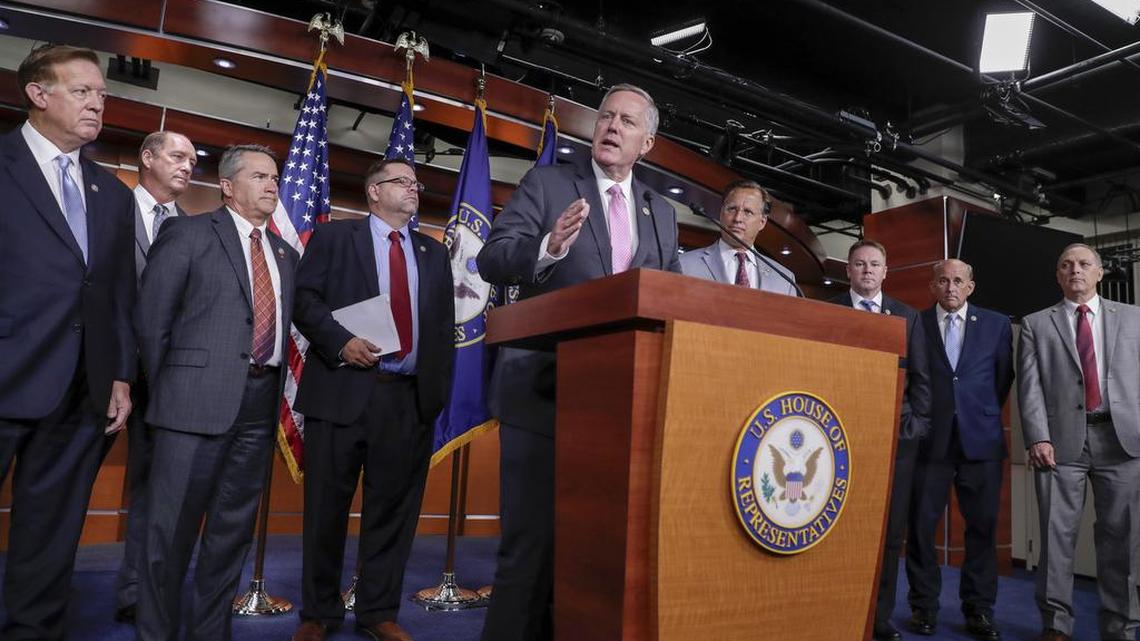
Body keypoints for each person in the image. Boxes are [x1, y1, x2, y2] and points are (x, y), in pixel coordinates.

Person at [476, 83, 682, 641]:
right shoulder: (548, 183)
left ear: (648, 142)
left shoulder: (660, 213)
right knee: (531, 549)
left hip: (620, 406)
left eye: (627, 122)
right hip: (543, 392)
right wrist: (548, 248)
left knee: (592, 553)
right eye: (606, 117)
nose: (612, 127)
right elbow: (492, 257)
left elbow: (672, 299)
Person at [134, 144, 298, 641]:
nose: (272, 185)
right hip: (190, 406)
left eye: (274, 177)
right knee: (169, 535)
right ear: (227, 185)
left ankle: (209, 632)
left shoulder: (286, 254)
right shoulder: (186, 232)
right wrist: (172, 392)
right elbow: (152, 321)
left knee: (230, 534)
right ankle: (156, 633)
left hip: (259, 406)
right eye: (259, 176)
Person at [0, 43, 136, 641]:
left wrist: (120, 375)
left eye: (102, 95)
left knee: (51, 531)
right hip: (5, 372)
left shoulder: (113, 193)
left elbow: (118, 297)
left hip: (80, 390)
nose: (97, 104)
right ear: (38, 94)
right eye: (82, 91)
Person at [289, 159, 454, 641]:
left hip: (407, 401)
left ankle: (378, 611)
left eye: (416, 183)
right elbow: (304, 301)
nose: (413, 189)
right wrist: (340, 342)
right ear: (373, 192)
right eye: (402, 182)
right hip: (343, 390)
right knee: (326, 509)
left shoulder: (432, 251)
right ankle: (318, 614)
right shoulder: (336, 238)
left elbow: (442, 328)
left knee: (393, 513)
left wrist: (434, 396)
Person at [1018, 243, 1140, 641]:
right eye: (1067, 265)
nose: (1076, 270)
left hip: (1122, 442)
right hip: (1060, 444)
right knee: (1056, 538)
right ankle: (1056, 625)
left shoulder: (1135, 319)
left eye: (1084, 264)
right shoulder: (1037, 324)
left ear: (1100, 273)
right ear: (1058, 276)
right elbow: (1030, 388)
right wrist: (1037, 436)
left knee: (1120, 541)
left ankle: (1120, 627)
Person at [114, 130, 197, 625]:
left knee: (151, 491)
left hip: (161, 384)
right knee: (64, 486)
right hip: (96, 375)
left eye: (193, 159)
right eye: (178, 155)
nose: (188, 165)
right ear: (147, 158)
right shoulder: (109, 211)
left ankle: (134, 590)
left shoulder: (189, 229)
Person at [829, 239, 931, 641]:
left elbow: (922, 380)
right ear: (848, 271)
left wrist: (916, 426)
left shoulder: (908, 317)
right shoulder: (830, 310)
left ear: (886, 272)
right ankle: (839, 608)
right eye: (859, 264)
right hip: (840, 439)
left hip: (896, 442)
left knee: (889, 535)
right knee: (840, 528)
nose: (867, 271)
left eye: (874, 264)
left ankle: (879, 617)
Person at [906, 259, 1012, 641]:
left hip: (980, 442)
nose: (951, 287)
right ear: (932, 286)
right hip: (929, 442)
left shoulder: (998, 325)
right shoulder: (914, 322)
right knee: (919, 529)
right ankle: (924, 608)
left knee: (981, 530)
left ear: (971, 286)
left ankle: (979, 611)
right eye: (943, 281)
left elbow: (1002, 379)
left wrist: (975, 413)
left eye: (958, 281)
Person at [679, 178, 796, 295]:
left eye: (747, 212)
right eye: (732, 209)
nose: (737, 218)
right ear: (721, 214)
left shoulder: (785, 279)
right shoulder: (684, 264)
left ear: (762, 222)